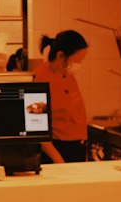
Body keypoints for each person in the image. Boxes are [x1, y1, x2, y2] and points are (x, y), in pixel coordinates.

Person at [32, 29, 89, 163]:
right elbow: (38, 130)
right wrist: (60, 162)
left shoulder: (68, 76)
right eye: (76, 61)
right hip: (57, 153)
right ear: (61, 56)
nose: (78, 66)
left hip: (77, 149)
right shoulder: (40, 80)